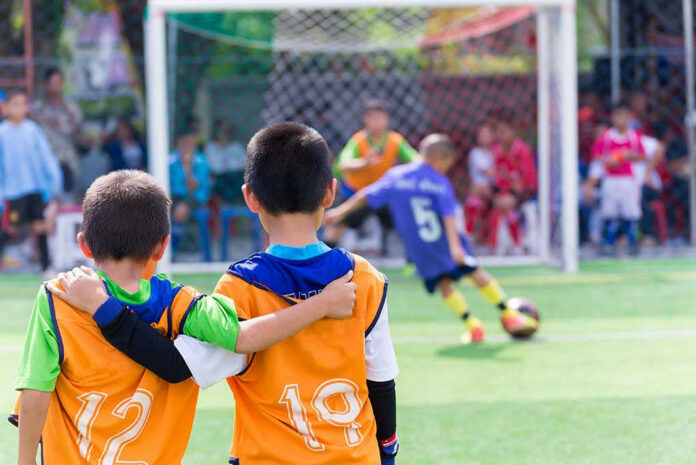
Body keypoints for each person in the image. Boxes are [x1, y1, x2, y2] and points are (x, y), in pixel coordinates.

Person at [52, 123, 400, 465]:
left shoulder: (241, 288)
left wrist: (105, 309)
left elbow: (175, 367)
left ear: (250, 197)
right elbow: (381, 382)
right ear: (330, 192)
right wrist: (387, 451)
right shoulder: (365, 280)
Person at [13, 169, 357, 465]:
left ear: (84, 245)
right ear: (162, 247)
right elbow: (244, 338)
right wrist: (321, 304)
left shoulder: (58, 298)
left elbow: (35, 394)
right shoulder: (178, 303)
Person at [326, 134, 537, 344]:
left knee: (444, 285)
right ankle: (508, 312)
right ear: (440, 160)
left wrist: (339, 212)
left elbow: (366, 195)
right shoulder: (439, 181)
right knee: (475, 272)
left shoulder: (397, 176)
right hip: (446, 240)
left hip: (421, 248)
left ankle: (473, 326)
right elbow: (448, 214)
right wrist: (455, 246)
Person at [324, 99, 419, 249]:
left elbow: (415, 160)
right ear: (365, 120)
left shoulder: (395, 140)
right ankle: (324, 257)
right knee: (337, 222)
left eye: (380, 117)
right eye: (373, 118)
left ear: (387, 119)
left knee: (406, 220)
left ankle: (412, 261)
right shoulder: (358, 141)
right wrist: (364, 162)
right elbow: (342, 165)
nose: (377, 122)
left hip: (383, 193)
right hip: (357, 194)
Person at [0, 90, 62, 273]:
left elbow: (46, 158)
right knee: (9, 228)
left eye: (23, 104)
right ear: (6, 108)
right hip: (13, 191)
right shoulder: (2, 133)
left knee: (40, 227)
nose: (19, 109)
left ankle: (46, 266)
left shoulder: (33, 131)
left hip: (35, 189)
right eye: (15, 104)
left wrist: (53, 183)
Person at [584, 101, 646, 253]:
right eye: (618, 116)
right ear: (613, 118)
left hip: (627, 180)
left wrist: (627, 156)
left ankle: (632, 241)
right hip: (610, 180)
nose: (621, 120)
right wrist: (609, 160)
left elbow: (642, 156)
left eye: (625, 117)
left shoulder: (634, 137)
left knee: (630, 212)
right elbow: (596, 156)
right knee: (609, 212)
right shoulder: (606, 137)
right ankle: (609, 242)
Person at [32, 68, 83, 200]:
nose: (57, 87)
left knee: (67, 205)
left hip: (67, 163)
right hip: (44, 165)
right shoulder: (37, 110)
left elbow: (79, 135)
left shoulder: (71, 109)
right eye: (53, 83)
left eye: (59, 83)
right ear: (46, 85)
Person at [490, 118, 537, 251]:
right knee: (499, 204)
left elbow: (528, 179)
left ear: (512, 132)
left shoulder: (522, 150)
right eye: (498, 132)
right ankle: (507, 244)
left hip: (526, 191)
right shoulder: (497, 151)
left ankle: (515, 243)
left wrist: (513, 184)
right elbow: (498, 177)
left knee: (504, 204)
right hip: (506, 190)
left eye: (503, 131)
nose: (500, 135)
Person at [169, 128, 211, 251]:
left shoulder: (201, 161)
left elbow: (192, 187)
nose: (186, 147)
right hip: (174, 195)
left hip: (194, 196)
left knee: (180, 211)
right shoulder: (170, 161)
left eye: (190, 144)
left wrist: (187, 166)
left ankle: (172, 250)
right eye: (183, 144)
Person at [465, 123, 496, 237]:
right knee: (478, 187)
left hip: (497, 187)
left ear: (493, 135)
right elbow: (489, 173)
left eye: (487, 134)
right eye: (481, 134)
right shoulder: (476, 153)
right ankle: (470, 233)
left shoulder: (498, 151)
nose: (484, 137)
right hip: (483, 189)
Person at [205, 120, 246, 204]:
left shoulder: (236, 146)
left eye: (226, 131)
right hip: (219, 179)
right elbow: (216, 167)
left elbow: (245, 163)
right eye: (222, 131)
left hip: (235, 177)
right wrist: (232, 163)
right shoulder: (210, 148)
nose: (224, 134)